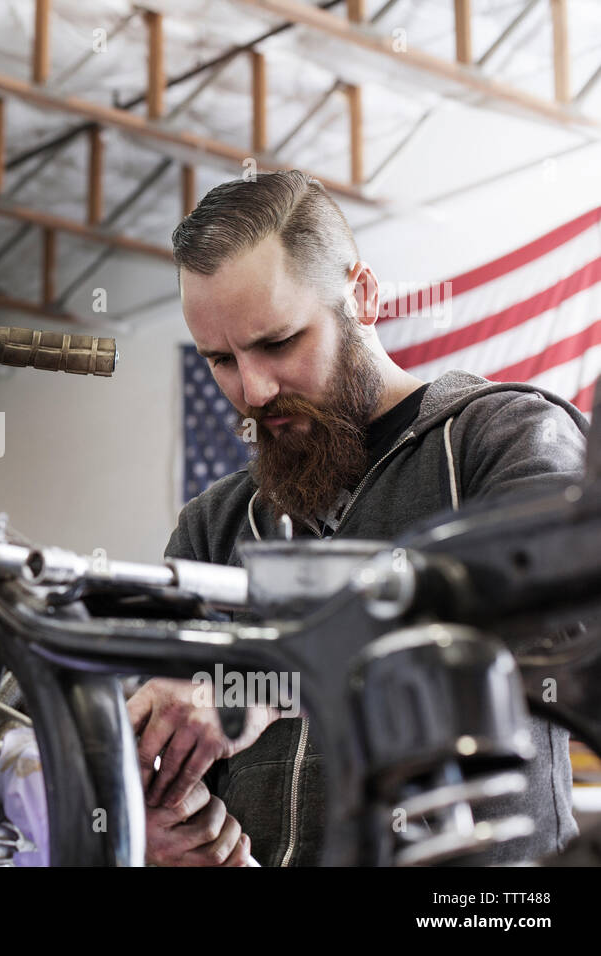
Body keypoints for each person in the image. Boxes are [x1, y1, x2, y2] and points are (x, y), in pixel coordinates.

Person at [133, 170, 583, 867]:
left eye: (279, 342)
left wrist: (265, 684)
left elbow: (560, 622)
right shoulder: (216, 524)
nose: (253, 389)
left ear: (364, 296)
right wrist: (150, 819)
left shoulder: (502, 438)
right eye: (221, 359)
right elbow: (130, 711)